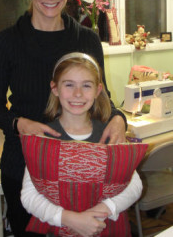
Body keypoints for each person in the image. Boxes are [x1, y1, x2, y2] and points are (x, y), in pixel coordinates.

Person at [0, 0, 127, 237]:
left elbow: (102, 96)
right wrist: (19, 124)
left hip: (80, 165)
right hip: (24, 164)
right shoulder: (8, 41)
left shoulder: (85, 39)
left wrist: (119, 118)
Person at [21, 52, 142, 237]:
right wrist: (70, 219)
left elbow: (134, 186)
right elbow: (29, 196)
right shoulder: (44, 138)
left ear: (98, 90)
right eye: (69, 85)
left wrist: (99, 212)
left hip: (107, 227)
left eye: (86, 85)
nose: (78, 94)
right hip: (62, 228)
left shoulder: (110, 134)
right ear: (55, 88)